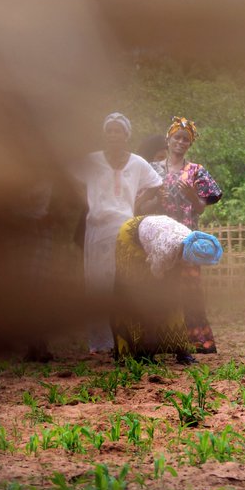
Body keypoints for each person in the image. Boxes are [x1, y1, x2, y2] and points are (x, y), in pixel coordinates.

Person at [71, 113, 162, 354]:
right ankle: (100, 344)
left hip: (124, 228)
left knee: (123, 282)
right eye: (109, 130)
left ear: (126, 135)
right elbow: (70, 180)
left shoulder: (137, 162)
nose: (113, 135)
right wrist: (88, 200)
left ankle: (125, 337)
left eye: (118, 131)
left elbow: (156, 184)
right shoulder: (92, 161)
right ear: (104, 134)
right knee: (97, 283)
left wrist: (137, 203)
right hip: (97, 228)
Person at [151, 116, 223, 353]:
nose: (180, 142)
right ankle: (164, 340)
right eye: (177, 137)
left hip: (187, 236)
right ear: (168, 140)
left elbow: (202, 206)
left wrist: (193, 195)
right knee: (162, 287)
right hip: (161, 237)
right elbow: (143, 202)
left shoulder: (196, 171)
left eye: (185, 139)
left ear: (189, 144)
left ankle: (200, 340)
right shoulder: (154, 170)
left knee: (191, 288)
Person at [112, 214, 222, 363]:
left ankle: (182, 351)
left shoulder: (194, 243)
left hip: (156, 238)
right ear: (185, 255)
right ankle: (142, 352)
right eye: (189, 263)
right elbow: (156, 276)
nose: (191, 267)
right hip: (131, 236)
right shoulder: (166, 248)